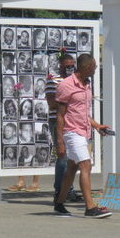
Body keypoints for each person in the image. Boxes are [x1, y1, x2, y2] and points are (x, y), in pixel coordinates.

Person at [54, 54, 112, 218]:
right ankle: (90, 207)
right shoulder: (66, 85)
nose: (95, 69)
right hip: (71, 132)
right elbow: (60, 115)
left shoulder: (87, 84)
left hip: (83, 131)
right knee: (86, 166)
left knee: (72, 168)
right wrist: (60, 141)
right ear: (86, 67)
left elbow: (82, 113)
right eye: (94, 67)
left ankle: (59, 203)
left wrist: (97, 126)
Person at [44, 54, 80, 202]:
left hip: (74, 121)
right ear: (60, 66)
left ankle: (68, 189)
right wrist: (71, 102)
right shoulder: (53, 80)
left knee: (75, 158)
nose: (70, 68)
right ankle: (59, 190)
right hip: (58, 121)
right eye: (67, 65)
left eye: (72, 65)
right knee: (63, 156)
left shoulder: (78, 80)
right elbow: (52, 103)